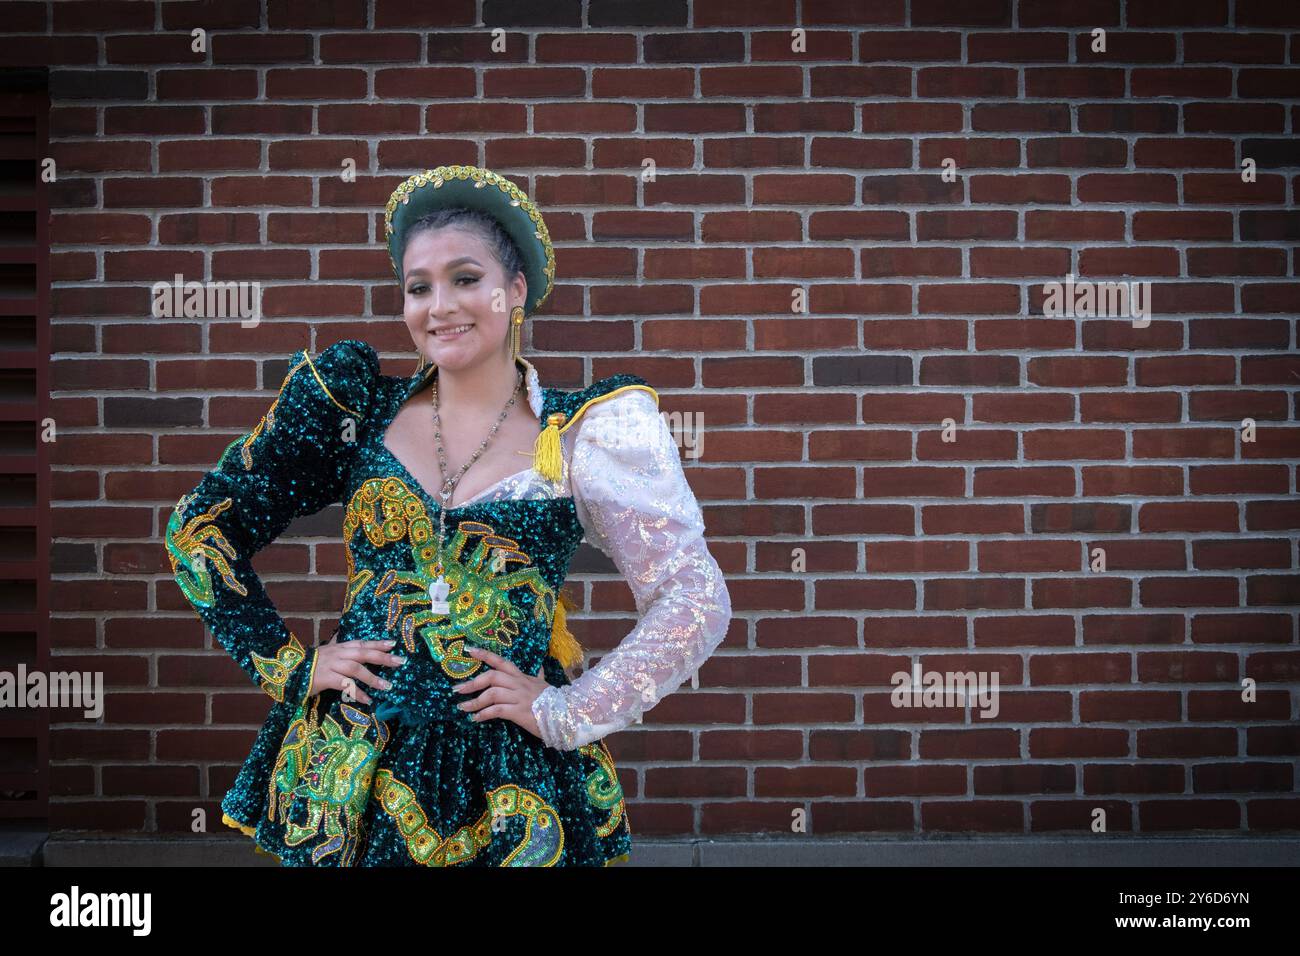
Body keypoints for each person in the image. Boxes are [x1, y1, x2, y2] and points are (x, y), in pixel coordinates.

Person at [163, 164, 732, 866]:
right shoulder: (355, 410)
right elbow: (201, 528)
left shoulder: (588, 432)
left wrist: (567, 709)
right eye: (418, 286)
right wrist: (289, 666)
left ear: (515, 290)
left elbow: (694, 597)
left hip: (513, 782)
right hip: (352, 775)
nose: (440, 306)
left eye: (466, 278)